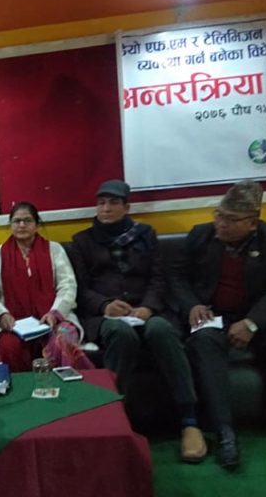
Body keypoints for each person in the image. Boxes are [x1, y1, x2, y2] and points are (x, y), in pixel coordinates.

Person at [170, 179, 266, 471]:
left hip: (256, 316)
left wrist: (252, 323)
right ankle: (224, 431)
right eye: (219, 215)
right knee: (203, 341)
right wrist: (192, 305)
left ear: (252, 223)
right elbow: (178, 278)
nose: (221, 224)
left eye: (231, 219)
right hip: (213, 315)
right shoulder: (201, 236)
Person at [68, 179, 206, 463]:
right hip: (105, 316)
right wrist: (105, 306)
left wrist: (148, 307)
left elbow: (159, 277)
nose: (106, 209)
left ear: (126, 207)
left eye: (113, 203)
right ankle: (113, 419)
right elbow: (80, 287)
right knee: (121, 334)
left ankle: (189, 420)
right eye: (101, 203)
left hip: (146, 311)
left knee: (161, 330)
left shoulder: (145, 235)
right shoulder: (82, 241)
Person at [0, 201, 89, 372]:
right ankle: (19, 389)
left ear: (37, 224)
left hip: (55, 319)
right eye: (17, 221)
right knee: (8, 346)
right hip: (13, 322)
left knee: (61, 341)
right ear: (10, 225)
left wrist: (54, 313)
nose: (22, 225)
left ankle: (65, 387)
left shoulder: (54, 250)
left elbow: (68, 285)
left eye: (27, 220)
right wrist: (1, 314)